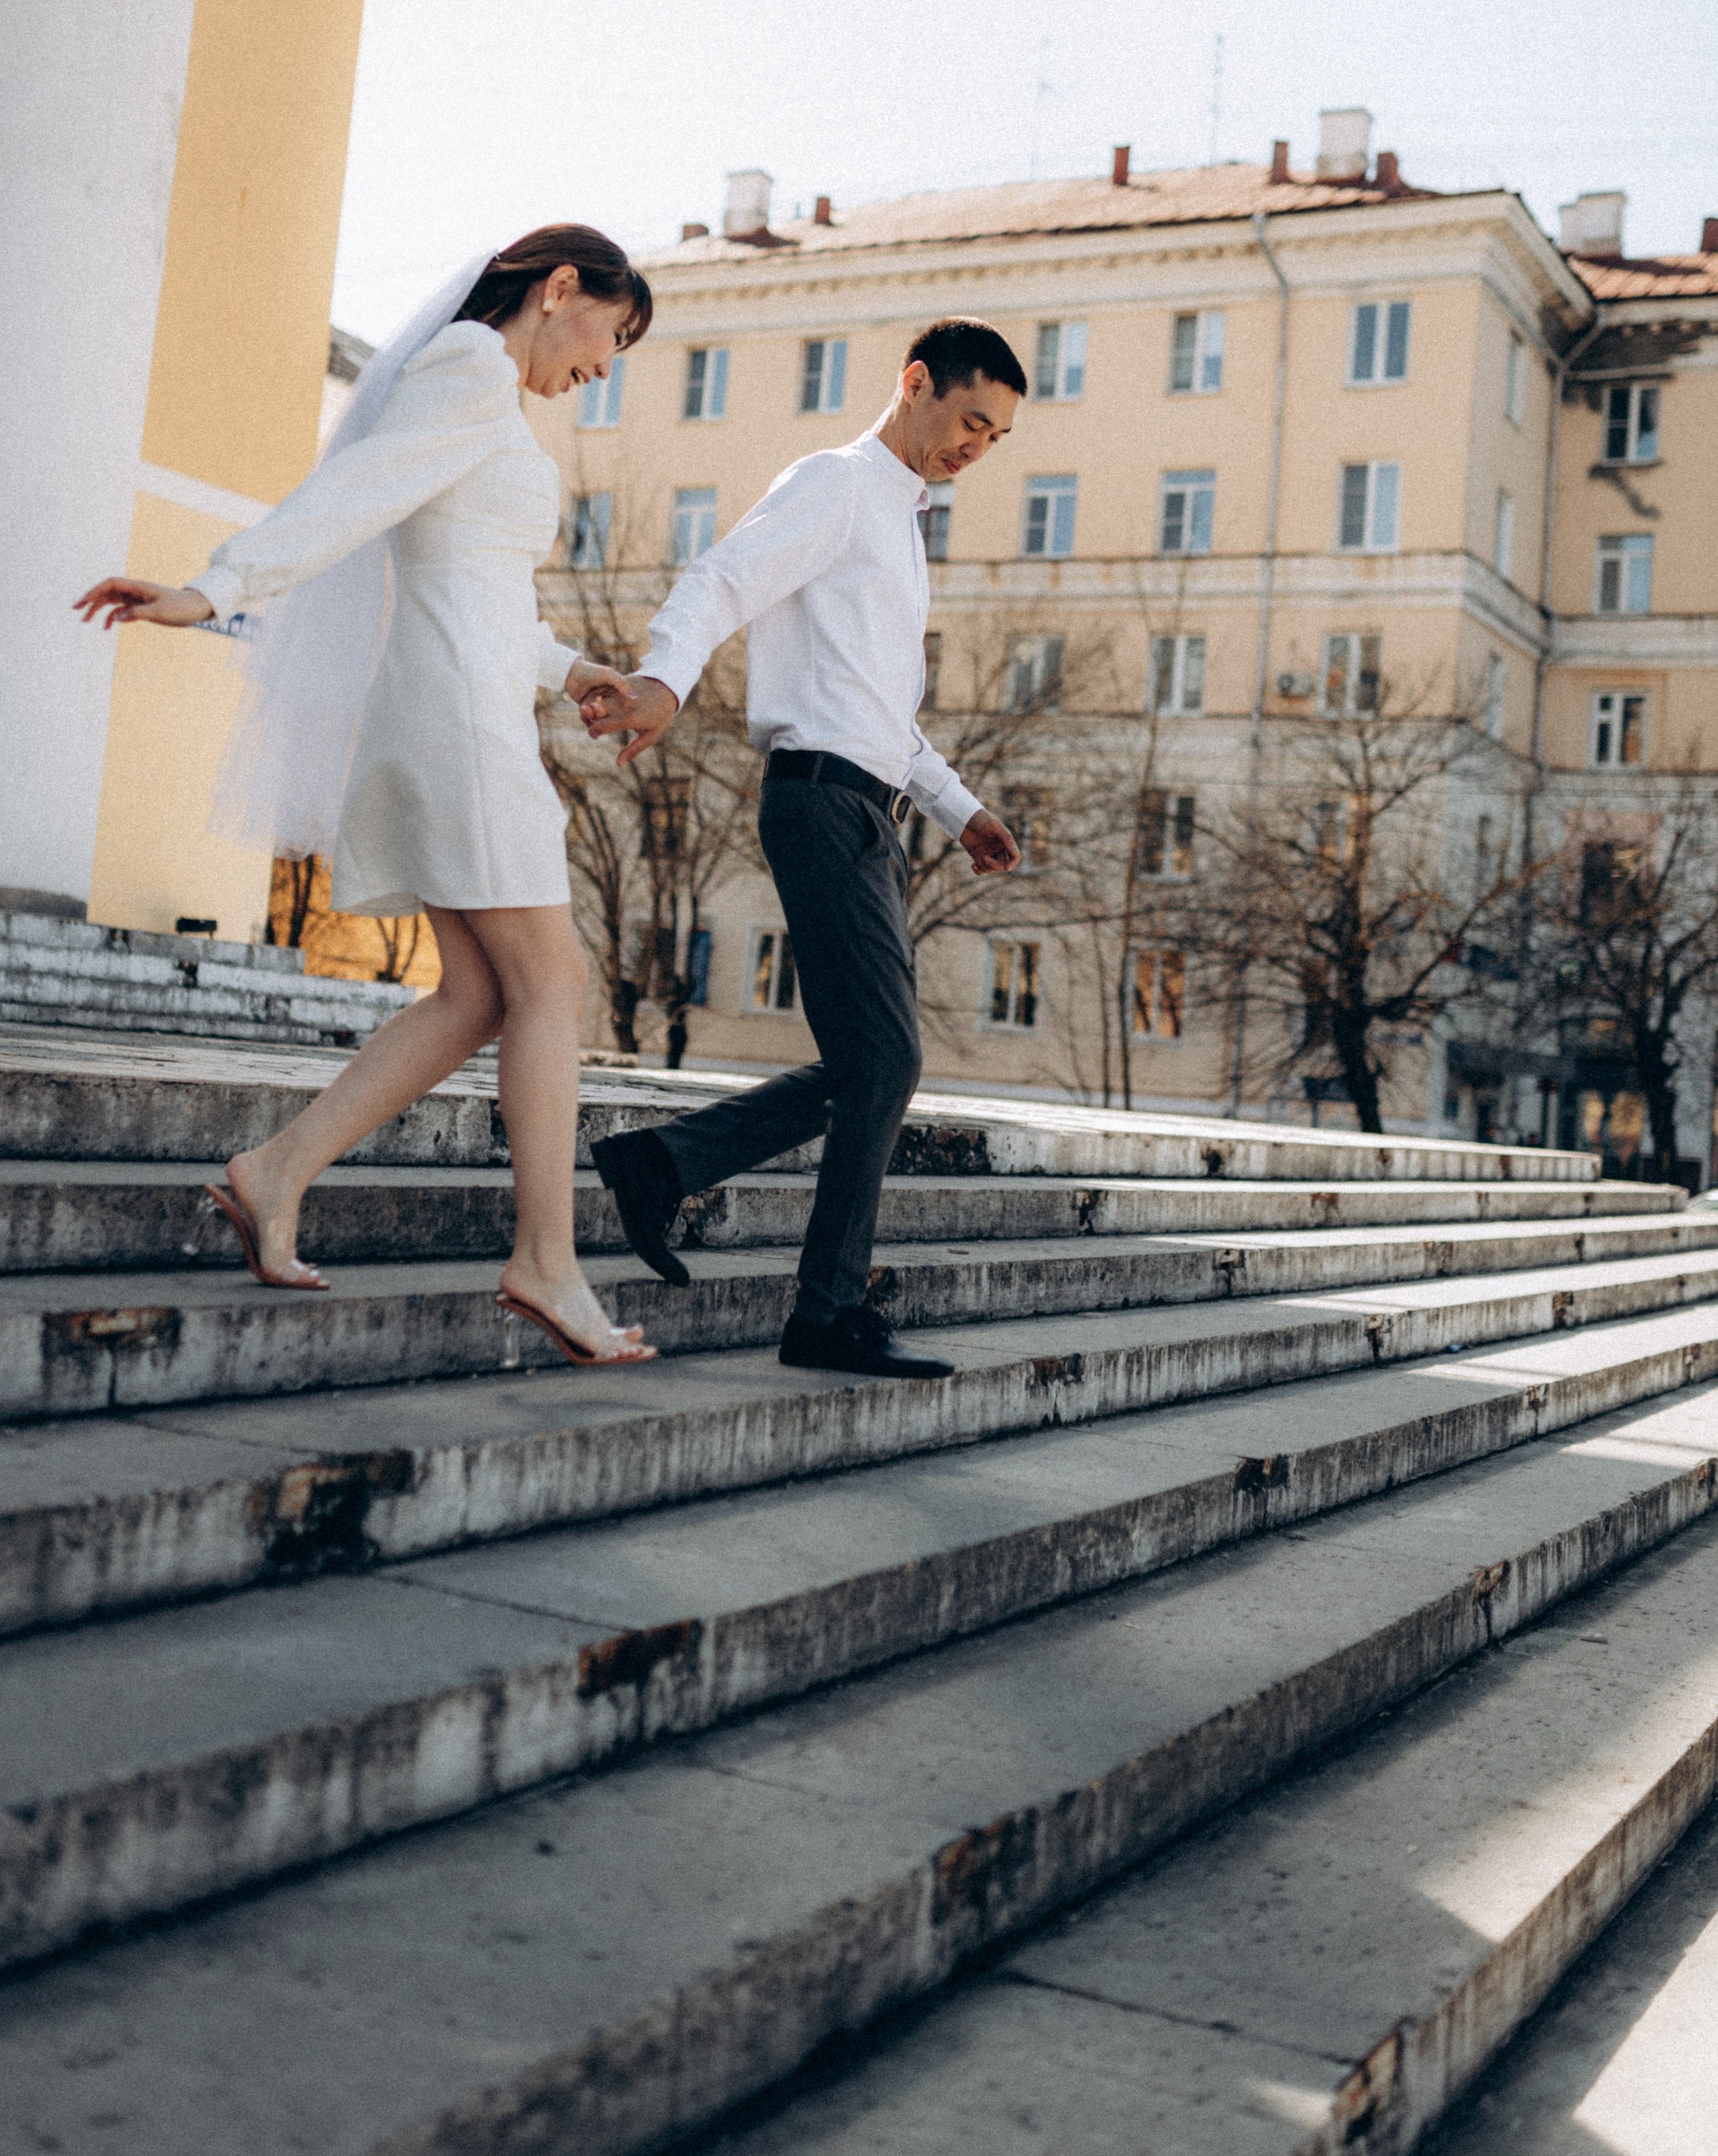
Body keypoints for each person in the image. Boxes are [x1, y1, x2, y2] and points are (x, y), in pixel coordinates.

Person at [76, 226, 656, 1368]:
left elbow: (472, 581)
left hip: (471, 706)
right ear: (559, 289)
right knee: (554, 982)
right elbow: (351, 498)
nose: (608, 365)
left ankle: (275, 1171)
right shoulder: (472, 369)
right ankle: (546, 1259)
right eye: (613, 333)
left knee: (482, 992)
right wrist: (214, 587)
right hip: (459, 730)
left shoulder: (490, 398)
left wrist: (570, 667)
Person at [582, 318, 1026, 1379]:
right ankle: (822, 1311)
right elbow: (725, 578)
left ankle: (661, 1165)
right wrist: (665, 680)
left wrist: (960, 808)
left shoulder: (901, 522)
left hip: (871, 809)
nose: (976, 447)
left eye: (996, 437)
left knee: (870, 1062)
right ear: (915, 383)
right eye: (969, 420)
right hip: (820, 800)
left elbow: (882, 708)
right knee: (888, 1058)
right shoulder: (835, 483)